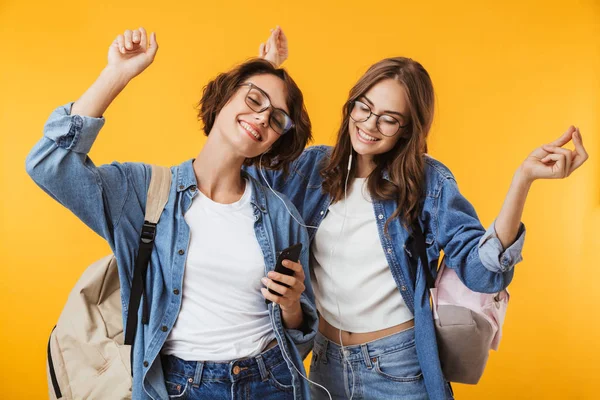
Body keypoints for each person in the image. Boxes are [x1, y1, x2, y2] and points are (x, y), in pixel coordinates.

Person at [251, 27, 589, 400]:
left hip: (398, 365)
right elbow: (245, 176)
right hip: (325, 364)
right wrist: (266, 72)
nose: (369, 124)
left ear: (408, 129)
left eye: (389, 119)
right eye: (364, 107)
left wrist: (522, 180)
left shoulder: (427, 181)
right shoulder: (311, 170)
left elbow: (481, 272)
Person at [26, 27, 318, 400]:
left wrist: (292, 304)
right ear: (226, 95)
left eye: (278, 119)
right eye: (255, 99)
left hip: (274, 381)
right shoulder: (145, 193)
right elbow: (50, 164)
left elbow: (300, 333)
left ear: (278, 137)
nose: (263, 118)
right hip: (182, 386)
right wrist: (116, 74)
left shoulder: (281, 215)